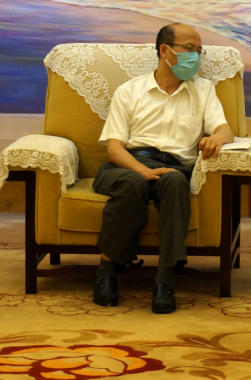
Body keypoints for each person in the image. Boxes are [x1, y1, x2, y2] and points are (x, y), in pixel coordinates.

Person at [92, 23, 234, 314]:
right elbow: (115, 148)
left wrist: (217, 138)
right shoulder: (130, 91)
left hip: (174, 168)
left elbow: (225, 129)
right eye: (189, 49)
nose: (195, 56)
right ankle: (107, 270)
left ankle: (165, 279)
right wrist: (143, 171)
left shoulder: (203, 90)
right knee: (133, 183)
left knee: (176, 182)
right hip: (129, 164)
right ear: (165, 50)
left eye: (199, 51)